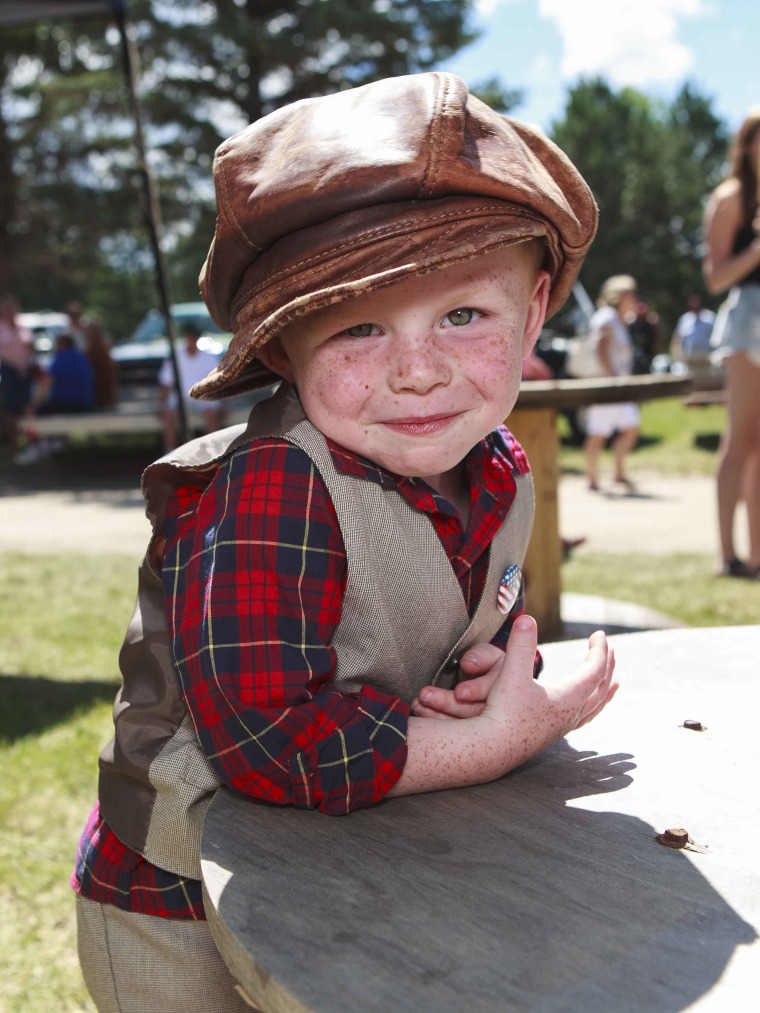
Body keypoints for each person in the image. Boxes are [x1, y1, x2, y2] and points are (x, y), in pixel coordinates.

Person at [71, 73, 617, 1013]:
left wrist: (491, 675)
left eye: (463, 314)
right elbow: (263, 738)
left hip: (352, 863)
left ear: (531, 315)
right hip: (188, 898)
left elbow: (451, 618)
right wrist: (490, 744)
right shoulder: (277, 486)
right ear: (284, 348)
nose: (417, 369)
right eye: (360, 327)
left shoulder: (500, 468)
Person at [702, 108, 760, 578]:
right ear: (748, 145)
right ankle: (727, 554)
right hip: (747, 322)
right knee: (740, 439)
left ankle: (757, 555)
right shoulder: (732, 198)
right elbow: (716, 277)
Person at [583, 275, 641, 492]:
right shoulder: (607, 317)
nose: (634, 298)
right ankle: (591, 478)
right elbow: (601, 349)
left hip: (619, 387)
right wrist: (612, 377)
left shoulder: (618, 319)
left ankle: (618, 472)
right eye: (631, 294)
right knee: (598, 434)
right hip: (607, 387)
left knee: (630, 428)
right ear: (620, 295)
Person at [158, 320, 225, 450]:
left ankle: (212, 452)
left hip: (202, 396)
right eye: (189, 337)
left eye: (194, 337)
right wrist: (161, 404)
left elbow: (218, 383)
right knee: (170, 414)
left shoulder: (209, 357)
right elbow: (166, 383)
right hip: (180, 397)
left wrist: (222, 404)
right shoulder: (176, 356)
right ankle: (169, 452)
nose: (191, 340)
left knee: (211, 413)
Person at [0, 295, 34, 450]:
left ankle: (29, 438)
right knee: (10, 406)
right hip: (9, 369)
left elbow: (29, 347)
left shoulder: (23, 327)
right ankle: (13, 441)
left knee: (26, 405)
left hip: (25, 370)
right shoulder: (1, 328)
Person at [671, 295, 716, 366]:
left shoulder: (710, 317)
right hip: (689, 360)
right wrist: (677, 355)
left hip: (708, 359)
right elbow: (677, 339)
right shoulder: (684, 319)